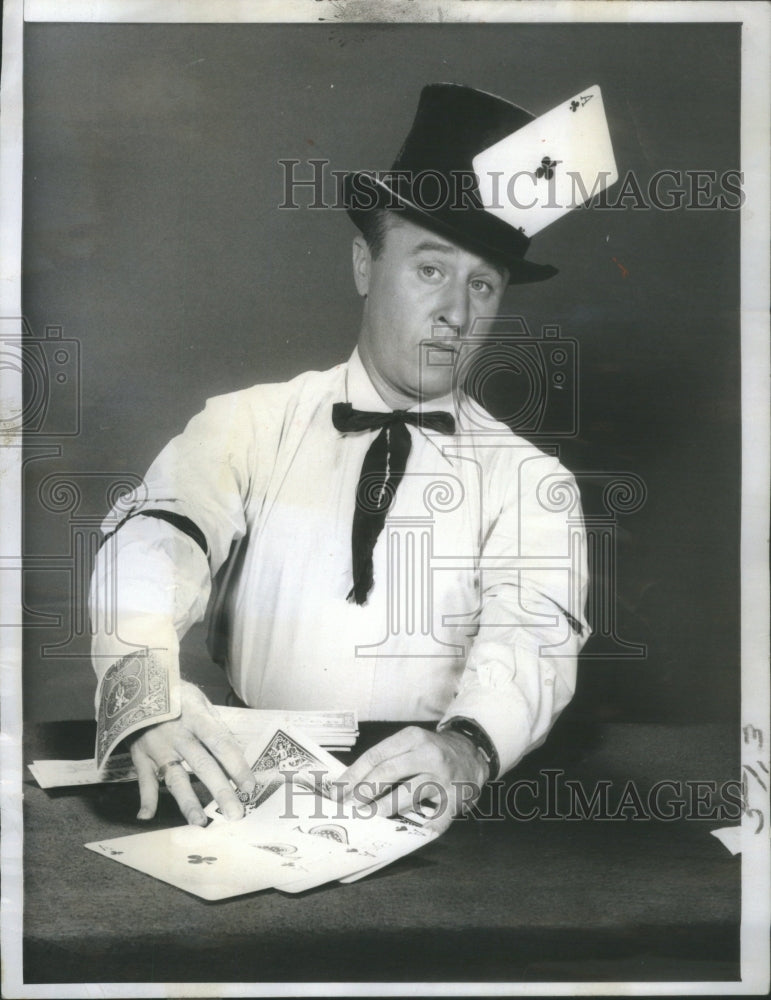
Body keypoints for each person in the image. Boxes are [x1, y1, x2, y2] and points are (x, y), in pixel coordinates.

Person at [90, 82, 602, 834]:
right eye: (430, 269)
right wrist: (145, 697)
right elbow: (153, 544)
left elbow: (532, 637)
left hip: (437, 816)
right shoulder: (246, 423)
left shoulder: (531, 481)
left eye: (481, 285)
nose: (456, 315)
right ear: (365, 264)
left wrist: (467, 749)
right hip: (243, 798)